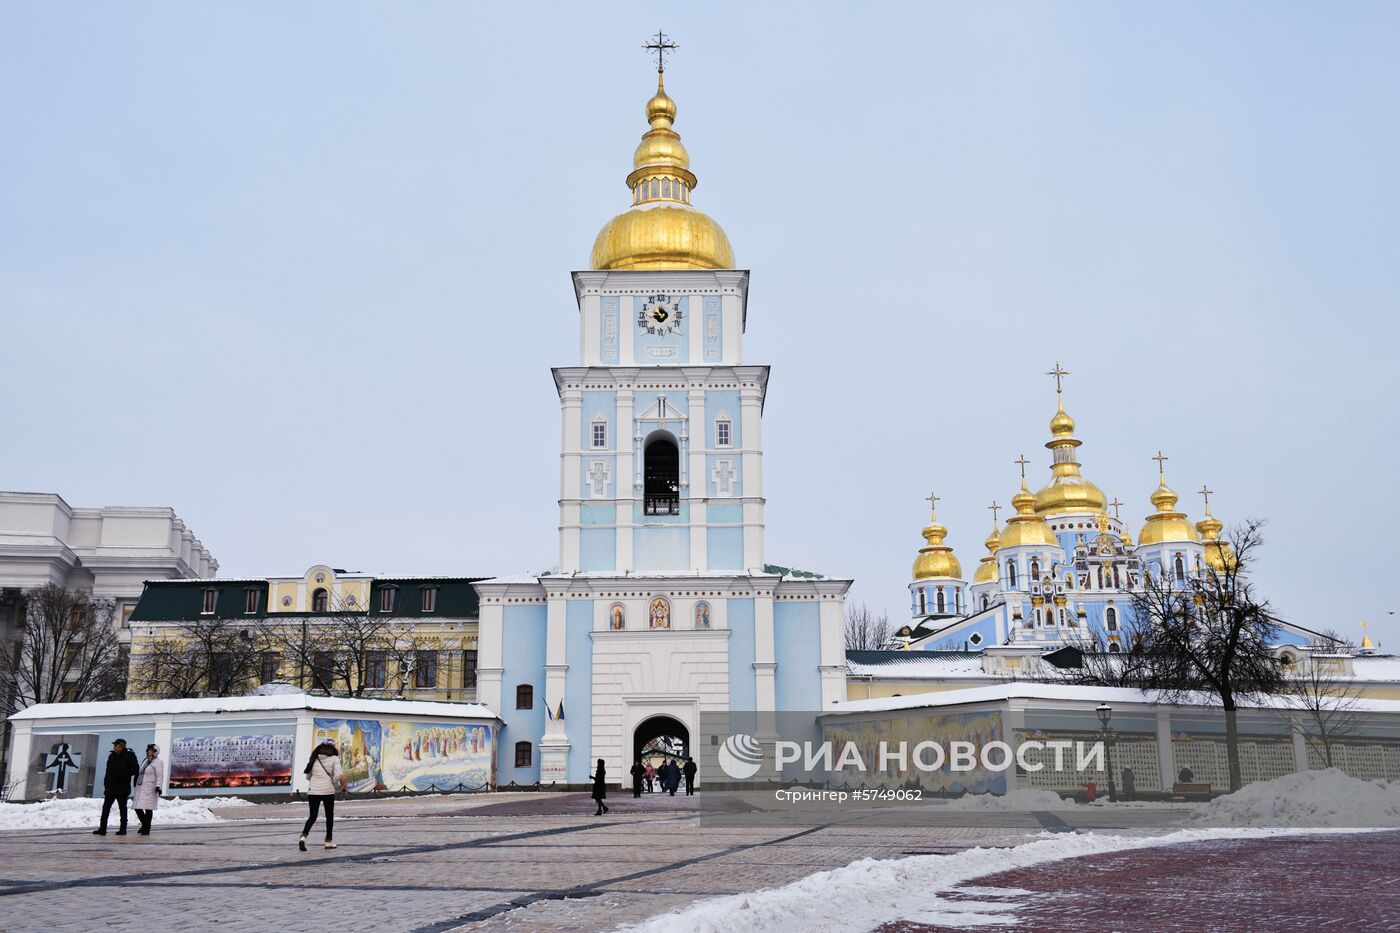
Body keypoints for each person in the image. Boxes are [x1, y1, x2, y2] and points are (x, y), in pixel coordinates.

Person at [300, 740, 345, 851]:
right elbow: (339, 774)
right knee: (329, 816)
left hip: (313, 790)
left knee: (313, 816)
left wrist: (315, 780)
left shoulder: (314, 758)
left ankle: (303, 837)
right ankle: (328, 841)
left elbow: (307, 776)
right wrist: (332, 781)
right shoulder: (334, 759)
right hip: (327, 791)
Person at [93, 738, 139, 836]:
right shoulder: (112, 756)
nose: (114, 747)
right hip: (110, 787)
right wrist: (106, 783)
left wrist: (124, 774)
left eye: (116, 745)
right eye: (114, 745)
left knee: (122, 808)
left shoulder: (130, 756)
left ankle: (123, 829)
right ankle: (102, 828)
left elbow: (135, 769)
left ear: (121, 746)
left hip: (122, 788)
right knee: (106, 808)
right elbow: (108, 771)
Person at [131, 744, 165, 836]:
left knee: (148, 809)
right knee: (137, 807)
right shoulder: (146, 760)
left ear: (155, 752)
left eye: (151, 750)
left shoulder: (158, 762)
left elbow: (160, 776)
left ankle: (146, 828)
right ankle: (144, 825)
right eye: (148, 750)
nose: (148, 752)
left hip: (150, 788)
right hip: (141, 787)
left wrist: (158, 786)